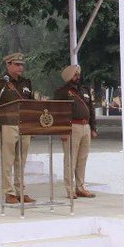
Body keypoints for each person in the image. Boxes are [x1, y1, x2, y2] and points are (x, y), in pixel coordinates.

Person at [0, 52, 36, 205]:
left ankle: (20, 191)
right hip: (8, 124)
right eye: (16, 64)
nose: (20, 67)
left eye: (21, 64)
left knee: (21, 161)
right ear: (8, 65)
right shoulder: (0, 83)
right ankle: (9, 193)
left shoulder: (26, 83)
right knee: (8, 160)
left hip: (25, 124)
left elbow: (31, 104)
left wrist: (33, 125)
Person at [54, 65, 97, 199]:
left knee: (82, 158)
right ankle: (70, 189)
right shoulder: (62, 92)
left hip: (85, 126)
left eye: (78, 74)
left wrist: (93, 127)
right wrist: (62, 129)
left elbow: (91, 109)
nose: (78, 77)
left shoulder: (84, 90)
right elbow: (57, 112)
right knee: (70, 159)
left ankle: (80, 187)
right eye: (75, 75)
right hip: (72, 126)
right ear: (68, 76)